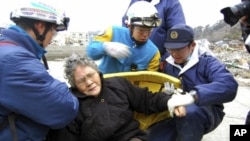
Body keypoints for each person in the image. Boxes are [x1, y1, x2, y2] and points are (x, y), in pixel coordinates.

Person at [45, 53, 197, 141]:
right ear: (74, 85)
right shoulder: (72, 104)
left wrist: (172, 101)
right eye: (81, 81)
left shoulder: (117, 84)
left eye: (91, 75)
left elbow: (147, 99)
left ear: (98, 72)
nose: (89, 82)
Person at [0, 1, 79, 141]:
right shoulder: (16, 61)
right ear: (40, 27)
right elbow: (64, 109)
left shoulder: (7, 50)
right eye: (53, 33)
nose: (51, 40)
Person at [148, 24, 238, 141]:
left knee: (190, 113)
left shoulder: (207, 62)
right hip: (172, 110)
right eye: (171, 49)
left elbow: (229, 85)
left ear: (192, 45)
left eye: (179, 49)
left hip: (205, 111)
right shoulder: (166, 64)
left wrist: (194, 96)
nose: (174, 54)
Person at [87, 1, 162, 74]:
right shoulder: (113, 32)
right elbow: (91, 52)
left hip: (130, 86)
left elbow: (150, 80)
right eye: (141, 30)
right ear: (130, 26)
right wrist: (104, 47)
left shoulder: (153, 53)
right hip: (106, 83)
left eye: (149, 30)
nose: (145, 35)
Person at [122, 0, 186, 59]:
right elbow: (126, 27)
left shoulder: (171, 3)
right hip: (131, 57)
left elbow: (178, 36)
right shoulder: (135, 2)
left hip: (159, 60)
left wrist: (166, 59)